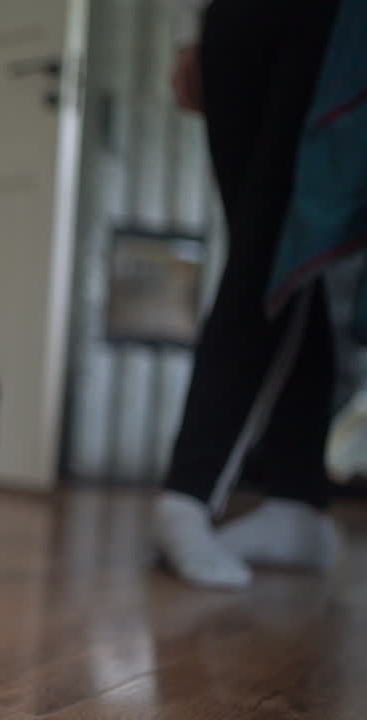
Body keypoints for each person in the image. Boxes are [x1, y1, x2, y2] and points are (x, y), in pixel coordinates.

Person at [154, 0, 347, 588]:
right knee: (273, 252)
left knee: (273, 248)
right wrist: (187, 29)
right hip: (232, 21)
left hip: (332, 22)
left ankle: (189, 490)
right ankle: (296, 499)